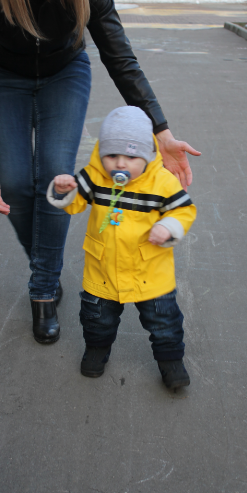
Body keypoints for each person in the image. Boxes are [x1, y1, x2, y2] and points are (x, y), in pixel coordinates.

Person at [0, 0, 200, 345]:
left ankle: (43, 287)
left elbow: (119, 56)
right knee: (15, 184)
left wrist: (161, 133)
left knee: (56, 178)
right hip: (5, 79)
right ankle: (45, 261)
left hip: (64, 74)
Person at [46, 106, 197, 389]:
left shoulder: (161, 182)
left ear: (147, 155)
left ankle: (171, 360)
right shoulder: (94, 176)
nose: (120, 164)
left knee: (164, 322)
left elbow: (184, 210)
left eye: (130, 157)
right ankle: (96, 349)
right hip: (103, 269)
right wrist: (64, 191)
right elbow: (75, 204)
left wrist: (169, 226)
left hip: (150, 271)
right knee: (96, 319)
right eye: (111, 155)